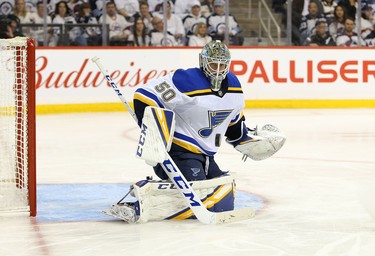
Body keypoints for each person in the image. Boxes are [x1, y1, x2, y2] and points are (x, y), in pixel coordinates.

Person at [103, 40, 285, 223]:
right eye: (213, 64)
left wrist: (244, 140)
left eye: (223, 65)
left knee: (224, 194)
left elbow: (233, 122)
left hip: (207, 156)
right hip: (179, 152)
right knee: (200, 194)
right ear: (203, 62)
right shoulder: (186, 80)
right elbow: (144, 96)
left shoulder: (234, 85)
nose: (218, 70)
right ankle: (142, 199)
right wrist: (154, 133)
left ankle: (158, 194)